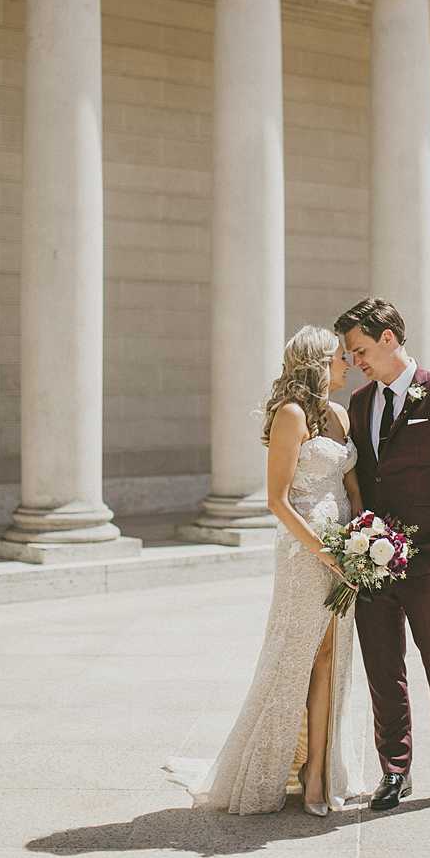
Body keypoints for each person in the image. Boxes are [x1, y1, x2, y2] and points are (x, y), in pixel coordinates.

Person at [163, 325, 364, 815]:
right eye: (340, 356)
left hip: (347, 550)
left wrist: (365, 538)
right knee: (298, 656)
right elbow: (277, 500)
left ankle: (316, 770)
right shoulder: (291, 416)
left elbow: (353, 486)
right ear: (318, 361)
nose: (348, 363)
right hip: (305, 554)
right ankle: (278, 766)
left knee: (332, 660)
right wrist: (324, 551)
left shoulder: (340, 415)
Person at [335, 297, 430, 813]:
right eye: (349, 353)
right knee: (383, 670)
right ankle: (394, 772)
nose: (355, 359)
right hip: (372, 564)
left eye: (359, 349)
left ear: (388, 338)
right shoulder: (360, 404)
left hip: (429, 562)